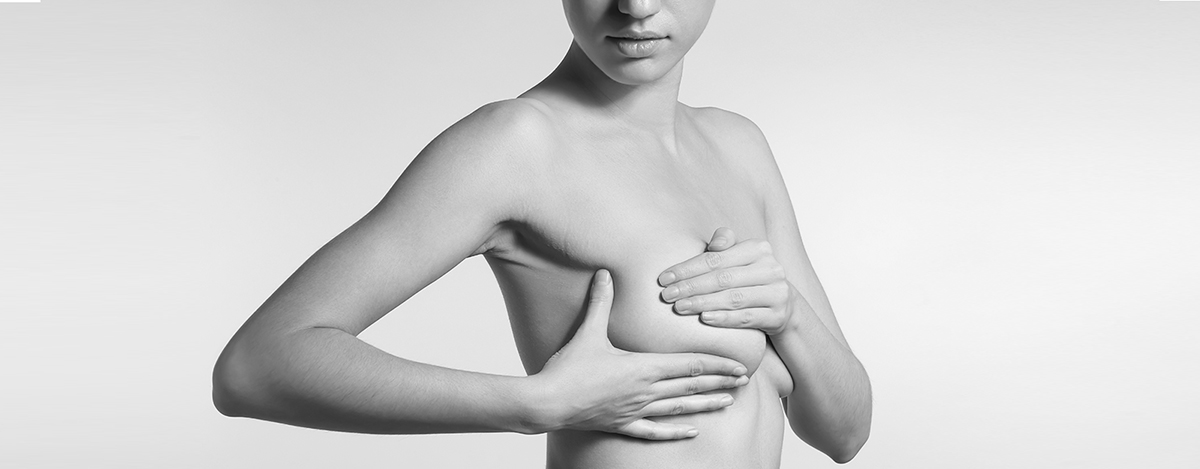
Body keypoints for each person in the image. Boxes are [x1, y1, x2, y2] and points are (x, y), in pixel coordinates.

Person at [212, 0, 872, 467]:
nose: (636, 6)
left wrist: (786, 314)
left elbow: (845, 431)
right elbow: (256, 365)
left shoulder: (739, 147)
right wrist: (534, 403)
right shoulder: (517, 144)